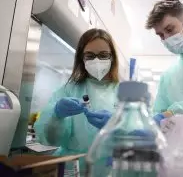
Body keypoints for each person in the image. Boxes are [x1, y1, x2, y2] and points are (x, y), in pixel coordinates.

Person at [34, 28, 119, 174]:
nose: (97, 61)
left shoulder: (126, 93)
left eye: (104, 55)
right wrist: (56, 115)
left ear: (112, 58)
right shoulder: (68, 90)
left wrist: (117, 126)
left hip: (111, 169)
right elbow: (50, 139)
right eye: (90, 56)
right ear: (81, 58)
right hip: (72, 169)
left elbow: (141, 139)